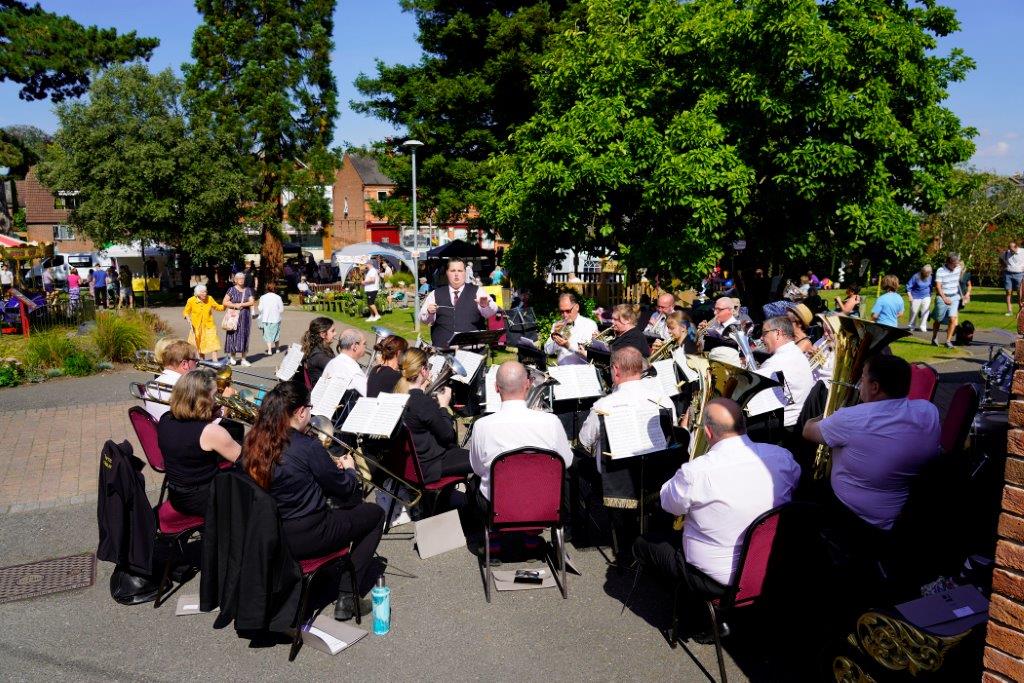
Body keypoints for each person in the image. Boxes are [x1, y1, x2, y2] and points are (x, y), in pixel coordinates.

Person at [633, 399, 799, 637]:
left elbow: (668, 505)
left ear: (708, 432)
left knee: (643, 545)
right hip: (767, 565)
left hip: (715, 578)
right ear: (744, 424)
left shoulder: (696, 472)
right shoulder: (782, 457)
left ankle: (696, 617)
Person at [243, 381, 384, 621]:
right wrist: (349, 470)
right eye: (309, 408)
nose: (310, 413)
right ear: (300, 412)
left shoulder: (253, 442)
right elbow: (345, 490)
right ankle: (348, 596)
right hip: (308, 535)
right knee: (375, 514)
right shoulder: (307, 446)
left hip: (268, 533)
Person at [803, 354, 940, 532]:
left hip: (852, 516)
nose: (859, 383)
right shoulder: (929, 411)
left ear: (874, 387)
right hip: (901, 514)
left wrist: (829, 414)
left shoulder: (852, 418)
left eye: (863, 378)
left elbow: (808, 431)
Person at [468, 361, 573, 515]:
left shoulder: (481, 425)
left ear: (496, 387)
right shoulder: (552, 422)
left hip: (499, 508)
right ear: (527, 385)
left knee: (474, 485)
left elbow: (477, 469)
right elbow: (566, 462)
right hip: (543, 505)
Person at [157, 369, 241, 516]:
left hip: (177, 496)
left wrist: (215, 413)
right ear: (203, 400)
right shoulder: (210, 432)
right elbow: (248, 460)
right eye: (215, 395)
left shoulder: (165, 419)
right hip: (204, 499)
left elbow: (189, 431)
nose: (217, 400)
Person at [394, 348, 472, 483]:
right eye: (428, 367)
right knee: (483, 461)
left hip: (411, 463)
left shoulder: (397, 393)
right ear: (423, 370)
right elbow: (448, 436)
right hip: (430, 465)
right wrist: (443, 406)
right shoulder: (423, 402)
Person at [579, 347, 670, 455]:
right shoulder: (665, 400)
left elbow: (586, 440)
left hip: (615, 470)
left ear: (616, 370)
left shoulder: (603, 406)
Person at [419, 257, 498, 348]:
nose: (456, 274)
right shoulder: (435, 293)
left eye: (460, 271)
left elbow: (491, 313)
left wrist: (485, 306)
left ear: (465, 273)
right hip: (443, 350)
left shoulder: (478, 291)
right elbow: (424, 320)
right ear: (447, 273)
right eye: (452, 271)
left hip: (472, 350)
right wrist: (429, 312)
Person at [752, 316, 814, 430]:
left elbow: (758, 402)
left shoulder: (773, 363)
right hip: (802, 420)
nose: (761, 338)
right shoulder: (797, 352)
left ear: (778, 333)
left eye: (764, 333)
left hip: (786, 427)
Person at [144, 339, 200, 420]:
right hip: (180, 430)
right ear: (184, 364)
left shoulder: (152, 384)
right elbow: (202, 423)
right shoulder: (186, 388)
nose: (197, 365)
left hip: (161, 430)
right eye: (196, 361)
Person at [543, 291, 598, 364]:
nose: (565, 315)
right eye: (561, 312)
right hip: (562, 371)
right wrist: (555, 335)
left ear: (577, 307)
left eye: (568, 311)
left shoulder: (589, 325)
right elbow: (548, 351)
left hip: (582, 371)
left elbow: (591, 356)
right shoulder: (557, 325)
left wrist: (568, 346)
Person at [930, 252, 969, 349]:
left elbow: (963, 280)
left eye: (957, 263)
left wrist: (965, 295)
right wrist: (944, 298)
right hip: (942, 296)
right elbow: (938, 286)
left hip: (954, 297)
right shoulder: (940, 270)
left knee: (953, 318)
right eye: (954, 263)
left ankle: (948, 341)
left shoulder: (958, 268)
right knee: (938, 319)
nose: (956, 265)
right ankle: (934, 337)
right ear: (949, 262)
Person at [316, 328, 368, 397]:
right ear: (355, 346)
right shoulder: (353, 370)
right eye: (364, 344)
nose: (366, 347)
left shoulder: (333, 362)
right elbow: (369, 395)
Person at [183, 284, 225, 361]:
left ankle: (215, 361)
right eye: (202, 292)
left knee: (213, 342)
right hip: (197, 326)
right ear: (197, 293)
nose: (205, 294)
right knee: (199, 344)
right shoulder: (191, 300)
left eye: (205, 292)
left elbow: (218, 307)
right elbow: (186, 312)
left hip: (209, 325)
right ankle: (202, 361)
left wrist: (225, 305)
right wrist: (188, 318)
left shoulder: (210, 298)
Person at [222, 272, 256, 366]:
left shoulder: (248, 290)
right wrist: (235, 305)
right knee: (233, 335)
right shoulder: (231, 290)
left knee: (244, 336)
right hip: (233, 316)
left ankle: (243, 359)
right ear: (235, 280)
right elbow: (225, 302)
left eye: (243, 278)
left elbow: (252, 302)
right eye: (239, 279)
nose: (241, 280)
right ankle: (232, 357)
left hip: (245, 316)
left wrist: (242, 304)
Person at [300, 317, 336, 388]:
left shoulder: (320, 348)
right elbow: (339, 370)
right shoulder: (319, 356)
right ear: (322, 334)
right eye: (332, 331)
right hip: (323, 392)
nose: (335, 333)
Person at [257, 281, 284, 356]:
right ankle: (277, 348)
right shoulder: (278, 297)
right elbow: (281, 309)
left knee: (267, 334)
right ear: (275, 288)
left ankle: (269, 350)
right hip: (276, 318)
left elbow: (260, 309)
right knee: (276, 333)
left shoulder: (262, 297)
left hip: (266, 319)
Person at [905, 265, 933, 332]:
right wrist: (910, 296)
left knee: (925, 311)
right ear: (923, 272)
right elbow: (908, 286)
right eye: (926, 273)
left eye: (929, 273)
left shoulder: (930, 277)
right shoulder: (916, 276)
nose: (928, 275)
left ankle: (923, 326)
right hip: (915, 296)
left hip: (926, 295)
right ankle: (911, 325)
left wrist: (930, 295)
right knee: (914, 311)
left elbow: (930, 286)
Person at [1001, 240, 1024, 315]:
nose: (1010, 251)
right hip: (1008, 274)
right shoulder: (1006, 253)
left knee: (1019, 293)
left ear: (1016, 247)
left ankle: (1021, 310)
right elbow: (1000, 259)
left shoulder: (1022, 252)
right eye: (1009, 249)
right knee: (1008, 292)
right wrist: (1003, 266)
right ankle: (1009, 311)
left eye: (1012, 249)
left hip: (1019, 274)